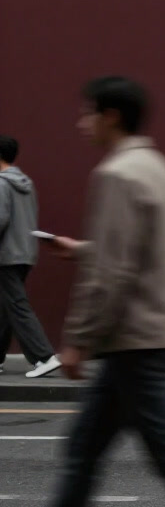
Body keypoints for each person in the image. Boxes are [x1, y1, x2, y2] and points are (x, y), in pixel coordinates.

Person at [48, 76, 165, 507]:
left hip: (133, 340)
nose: (81, 123)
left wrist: (78, 339)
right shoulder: (161, 170)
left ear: (112, 117)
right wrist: (85, 249)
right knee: (83, 448)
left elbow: (113, 272)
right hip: (157, 332)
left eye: (88, 113)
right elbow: (147, 251)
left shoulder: (116, 174)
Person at [0, 135, 60, 378]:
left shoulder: (1, 184)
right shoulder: (25, 182)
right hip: (24, 253)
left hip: (4, 254)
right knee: (5, 307)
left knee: (16, 305)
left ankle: (43, 356)